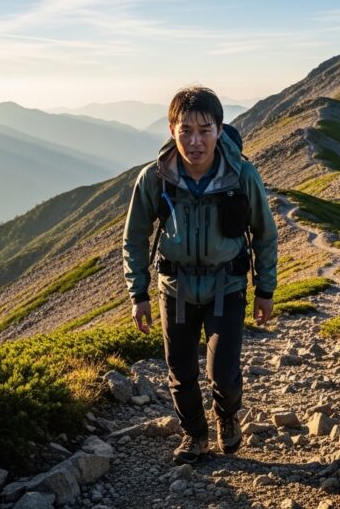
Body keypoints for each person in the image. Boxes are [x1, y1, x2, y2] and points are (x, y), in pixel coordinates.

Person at [122, 86, 279, 464]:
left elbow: (265, 232)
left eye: (204, 130)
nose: (194, 141)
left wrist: (266, 289)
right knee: (180, 371)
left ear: (219, 130)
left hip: (227, 284)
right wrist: (138, 294)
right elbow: (135, 237)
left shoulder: (241, 175)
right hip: (174, 287)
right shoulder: (155, 178)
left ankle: (226, 417)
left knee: (222, 372)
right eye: (186, 130)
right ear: (171, 129)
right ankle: (195, 435)